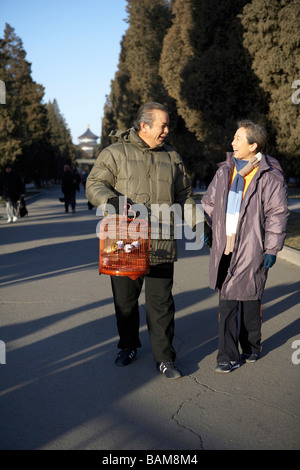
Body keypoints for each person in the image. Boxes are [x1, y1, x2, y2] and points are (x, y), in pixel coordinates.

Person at [86, 102, 202, 379]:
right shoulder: (115, 153)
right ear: (144, 126)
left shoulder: (172, 156)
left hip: (161, 240)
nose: (167, 130)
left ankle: (165, 358)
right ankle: (128, 345)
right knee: (125, 301)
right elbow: (93, 184)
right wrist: (111, 201)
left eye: (167, 125)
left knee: (161, 303)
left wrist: (199, 224)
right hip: (124, 238)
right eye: (163, 125)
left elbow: (184, 195)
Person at [201, 120, 289, 373]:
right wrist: (213, 228)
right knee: (227, 300)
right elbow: (209, 202)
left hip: (252, 247)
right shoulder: (225, 171)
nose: (232, 143)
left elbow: (277, 213)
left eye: (238, 139)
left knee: (250, 300)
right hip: (225, 246)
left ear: (254, 145)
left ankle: (251, 345)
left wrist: (271, 249)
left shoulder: (269, 175)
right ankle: (227, 355)